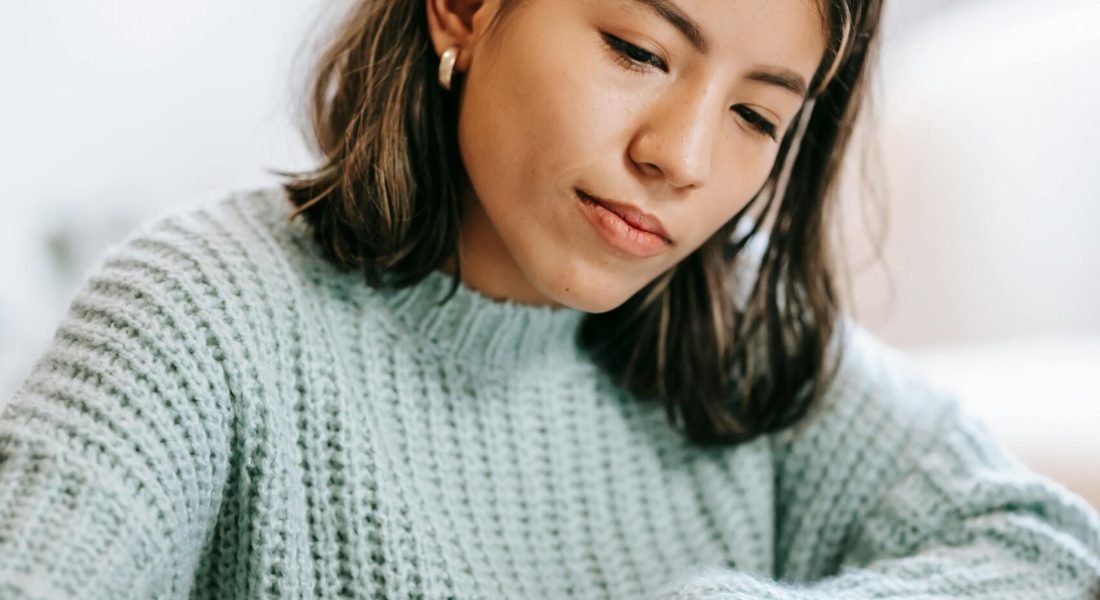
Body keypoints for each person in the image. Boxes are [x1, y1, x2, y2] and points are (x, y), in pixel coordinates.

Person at [1, 0, 1098, 597]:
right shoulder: (197, 315)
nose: (680, 156)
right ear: (464, 11)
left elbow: (1048, 553)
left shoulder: (731, 332)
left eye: (757, 117)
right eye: (636, 49)